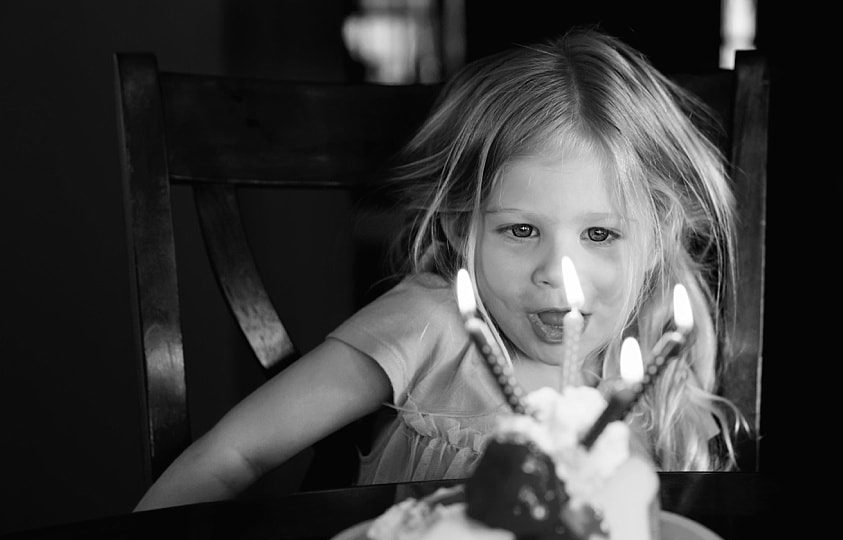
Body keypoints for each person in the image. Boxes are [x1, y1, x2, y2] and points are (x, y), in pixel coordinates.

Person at [135, 27, 742, 512]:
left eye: (601, 234)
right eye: (520, 230)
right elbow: (233, 456)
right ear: (459, 226)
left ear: (659, 233)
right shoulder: (431, 325)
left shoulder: (655, 350)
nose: (559, 274)